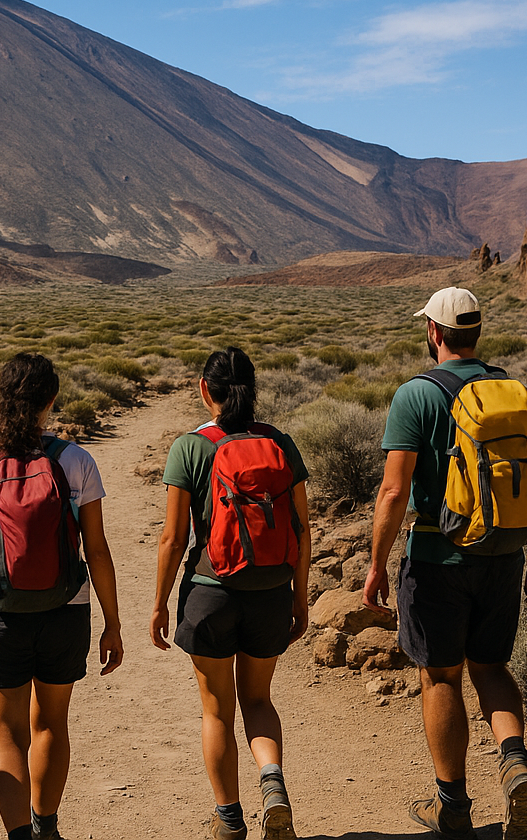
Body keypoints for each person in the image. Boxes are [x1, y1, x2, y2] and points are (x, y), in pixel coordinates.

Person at [362, 287, 527, 840]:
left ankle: (452, 808)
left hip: (437, 560)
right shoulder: (516, 393)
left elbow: (393, 492)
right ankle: (516, 765)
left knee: (441, 676)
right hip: (504, 556)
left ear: (434, 332)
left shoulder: (416, 396)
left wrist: (376, 564)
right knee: (491, 668)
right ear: (475, 332)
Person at [0, 353, 124, 840]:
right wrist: (112, 622)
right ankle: (47, 828)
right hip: (66, 610)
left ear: (3, 397)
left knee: (5, 737)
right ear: (52, 400)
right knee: (51, 725)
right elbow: (97, 550)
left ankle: (20, 835)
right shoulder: (76, 460)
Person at [151, 347, 311, 840]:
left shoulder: (190, 447)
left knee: (217, 709)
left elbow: (173, 539)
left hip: (210, 593)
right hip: (270, 591)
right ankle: (272, 782)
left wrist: (159, 604)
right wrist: (299, 598)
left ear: (206, 390)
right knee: (258, 700)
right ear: (253, 389)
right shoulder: (279, 443)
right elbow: (302, 530)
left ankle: (229, 820)